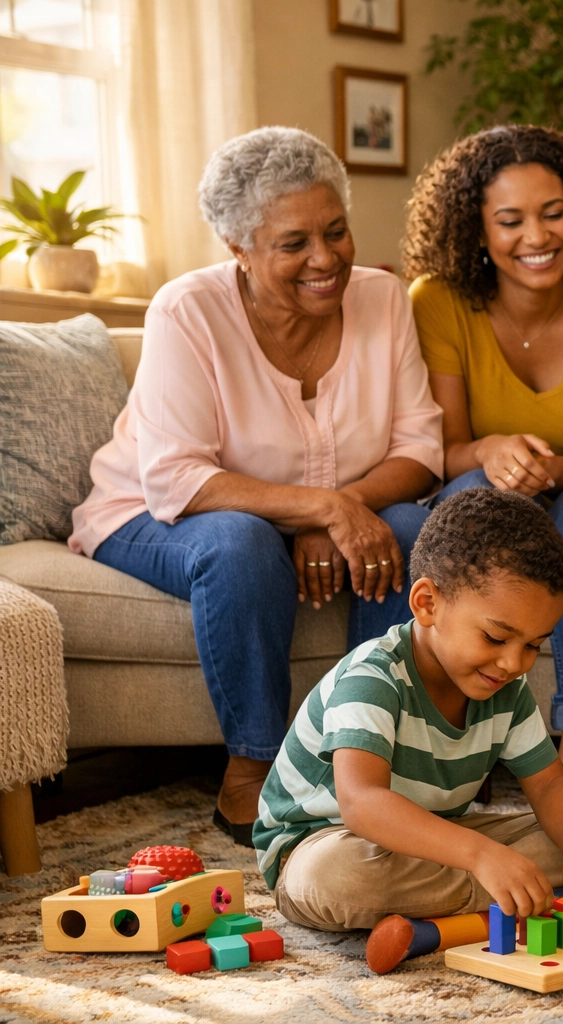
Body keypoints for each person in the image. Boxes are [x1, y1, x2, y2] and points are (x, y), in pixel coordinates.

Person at [69, 127, 443, 847]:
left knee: (403, 527)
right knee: (241, 545)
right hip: (150, 512)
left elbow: (419, 449)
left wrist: (334, 515)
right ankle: (255, 767)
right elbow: (177, 477)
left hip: (312, 512)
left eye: (336, 232)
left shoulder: (385, 299)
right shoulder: (187, 311)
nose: (326, 259)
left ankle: (366, 762)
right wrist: (324, 508)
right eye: (293, 243)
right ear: (238, 249)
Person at [254, 488, 563, 930]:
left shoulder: (506, 688)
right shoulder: (371, 678)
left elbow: (547, 785)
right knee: (335, 877)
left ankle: (476, 896)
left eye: (534, 645)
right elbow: (362, 803)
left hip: (437, 843)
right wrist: (482, 855)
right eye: (496, 638)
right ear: (428, 604)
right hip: (326, 844)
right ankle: (509, 889)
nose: (513, 663)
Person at [403, 125, 563, 801]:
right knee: (465, 493)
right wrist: (491, 451)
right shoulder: (438, 301)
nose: (537, 238)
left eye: (553, 214)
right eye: (510, 221)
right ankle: (455, 744)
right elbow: (443, 451)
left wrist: (545, 470)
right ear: (476, 231)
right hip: (477, 488)